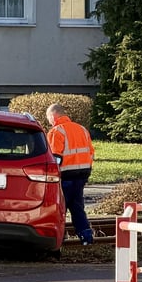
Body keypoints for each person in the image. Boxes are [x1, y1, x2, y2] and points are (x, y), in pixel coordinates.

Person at [45, 103, 95, 245]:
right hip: (82, 175)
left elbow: (55, 158)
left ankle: (58, 238)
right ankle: (86, 237)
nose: (49, 121)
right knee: (77, 207)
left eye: (48, 117)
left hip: (65, 176)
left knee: (60, 209)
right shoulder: (82, 129)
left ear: (53, 116)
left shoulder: (56, 131)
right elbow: (91, 152)